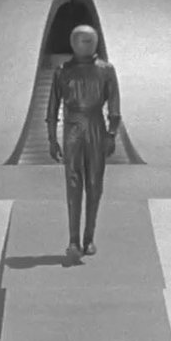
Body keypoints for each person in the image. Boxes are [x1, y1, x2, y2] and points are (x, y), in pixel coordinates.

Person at [46, 24, 121, 262]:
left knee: (95, 184)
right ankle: (73, 240)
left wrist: (111, 133)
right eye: (82, 41)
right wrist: (52, 138)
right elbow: (52, 107)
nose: (86, 45)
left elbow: (114, 105)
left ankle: (88, 237)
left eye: (89, 41)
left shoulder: (106, 70)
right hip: (73, 127)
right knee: (73, 183)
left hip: (96, 124)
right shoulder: (62, 71)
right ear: (73, 43)